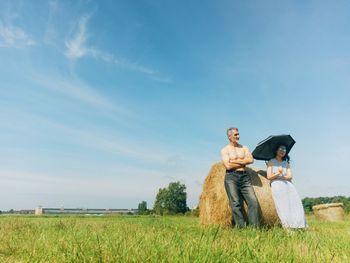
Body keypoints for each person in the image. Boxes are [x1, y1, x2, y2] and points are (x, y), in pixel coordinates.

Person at [221, 127, 260, 227]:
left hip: (244, 177)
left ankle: (253, 227)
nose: (238, 136)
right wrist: (243, 163)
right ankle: (241, 227)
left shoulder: (244, 148)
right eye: (236, 135)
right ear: (229, 136)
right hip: (231, 177)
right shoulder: (225, 150)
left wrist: (235, 161)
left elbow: (251, 160)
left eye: (238, 134)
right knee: (235, 203)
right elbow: (228, 166)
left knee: (253, 202)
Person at [266, 145, 307, 229]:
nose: (282, 150)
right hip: (277, 185)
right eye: (280, 148)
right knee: (282, 206)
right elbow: (269, 177)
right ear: (276, 150)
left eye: (284, 149)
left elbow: (290, 176)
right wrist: (278, 172)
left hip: (289, 186)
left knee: (295, 205)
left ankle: (298, 225)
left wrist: (279, 176)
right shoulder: (271, 161)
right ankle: (287, 227)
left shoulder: (286, 163)